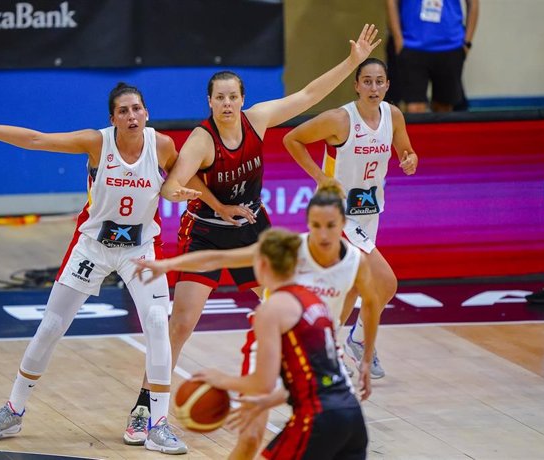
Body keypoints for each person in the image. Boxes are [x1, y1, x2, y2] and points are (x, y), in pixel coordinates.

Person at [127, 24, 380, 459]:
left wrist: (353, 62)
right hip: (205, 231)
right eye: (219, 97)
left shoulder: (258, 120)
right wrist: (213, 203)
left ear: (242, 99)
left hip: (253, 230)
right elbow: (171, 188)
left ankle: (319, 382)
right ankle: (147, 412)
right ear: (209, 102)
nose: (227, 103)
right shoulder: (203, 139)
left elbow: (307, 96)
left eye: (233, 96)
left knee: (294, 310)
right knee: (181, 325)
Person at [0, 83, 203, 455]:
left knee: (159, 322)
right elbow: (36, 140)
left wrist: (194, 198)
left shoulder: (161, 146)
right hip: (93, 247)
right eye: (124, 111)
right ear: (112, 118)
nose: (132, 116)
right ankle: (14, 409)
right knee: (51, 325)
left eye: (137, 109)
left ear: (146, 113)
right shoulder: (97, 142)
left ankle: (157, 424)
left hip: (141, 248)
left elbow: (178, 182)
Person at [134, 185, 380, 456]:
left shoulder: (355, 261)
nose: (322, 234)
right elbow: (221, 256)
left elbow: (370, 303)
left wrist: (366, 357)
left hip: (316, 347)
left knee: (331, 411)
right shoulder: (288, 249)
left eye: (330, 225)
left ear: (343, 224)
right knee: (250, 436)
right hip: (271, 338)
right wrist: (166, 265)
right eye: (315, 225)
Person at [283, 57, 419, 380]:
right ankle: (350, 342)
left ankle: (331, 349)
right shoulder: (340, 119)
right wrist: (319, 176)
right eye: (367, 81)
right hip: (338, 215)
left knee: (352, 289)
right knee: (385, 282)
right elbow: (292, 139)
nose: (373, 87)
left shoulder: (393, 116)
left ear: (387, 85)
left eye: (379, 81)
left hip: (369, 212)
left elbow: (406, 151)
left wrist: (410, 158)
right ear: (356, 85)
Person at [194, 228, 368, 460]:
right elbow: (316, 378)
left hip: (318, 418)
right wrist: (267, 401)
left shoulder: (273, 309)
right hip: (352, 416)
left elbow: (263, 381)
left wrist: (219, 379)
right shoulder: (317, 303)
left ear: (262, 264)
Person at [386, 0, 479, 112]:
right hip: (412, 45)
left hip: (450, 45)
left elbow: (473, 3)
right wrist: (398, 39)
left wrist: (466, 43)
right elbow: (391, 2)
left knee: (444, 108)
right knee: (414, 107)